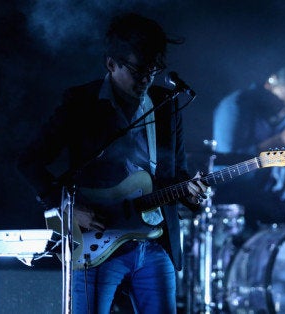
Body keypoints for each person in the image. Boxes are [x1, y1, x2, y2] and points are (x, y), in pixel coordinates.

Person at [17, 13, 208, 313]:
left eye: (154, 69)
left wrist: (192, 194)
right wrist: (65, 208)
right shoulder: (81, 103)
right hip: (97, 240)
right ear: (111, 64)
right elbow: (29, 161)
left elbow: (176, 174)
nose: (146, 78)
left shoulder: (166, 104)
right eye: (138, 69)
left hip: (154, 244)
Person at [211, 66, 285, 244]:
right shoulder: (237, 105)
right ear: (269, 85)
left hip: (273, 201)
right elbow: (230, 161)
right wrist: (280, 140)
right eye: (284, 102)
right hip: (237, 202)